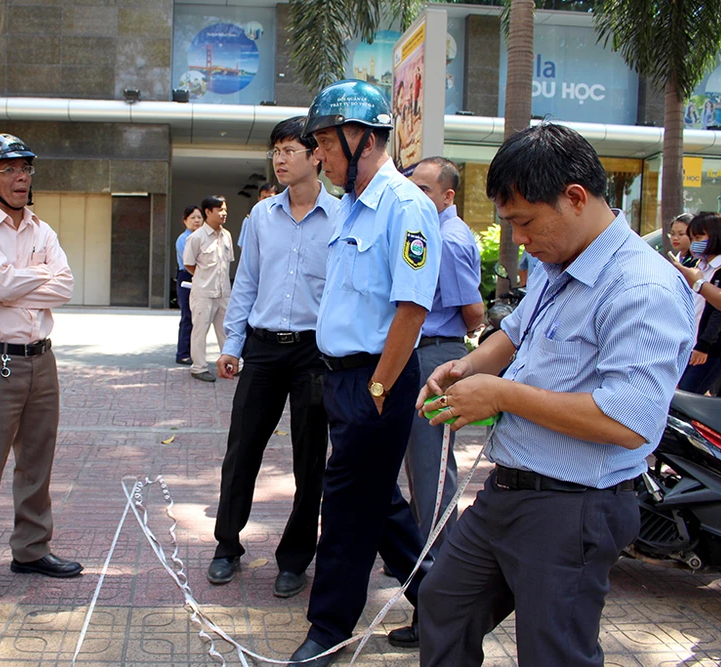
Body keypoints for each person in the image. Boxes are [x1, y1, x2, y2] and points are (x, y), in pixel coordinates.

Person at [416, 123, 695, 667]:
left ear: (575, 198)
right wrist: (467, 366)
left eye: (524, 221)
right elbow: (516, 331)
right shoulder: (556, 260)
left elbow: (629, 421)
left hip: (574, 506)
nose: (519, 239)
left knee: (553, 654)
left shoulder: (641, 287)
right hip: (509, 490)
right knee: (444, 602)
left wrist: (502, 395)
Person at [287, 80, 441, 667]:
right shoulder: (353, 204)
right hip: (343, 379)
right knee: (378, 503)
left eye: (327, 143)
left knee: (347, 509)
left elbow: (412, 308)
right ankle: (441, 602)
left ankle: (327, 631)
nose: (319, 155)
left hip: (379, 379)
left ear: (364, 139)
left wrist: (377, 388)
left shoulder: (405, 206)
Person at [0, 134, 83, 610]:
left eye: (25, 168)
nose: (21, 176)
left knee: (37, 462)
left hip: (41, 360)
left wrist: (11, 284)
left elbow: (64, 286)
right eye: (8, 169)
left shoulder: (40, 229)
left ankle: (31, 550)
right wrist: (21, 281)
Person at [208, 116, 338, 598]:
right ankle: (226, 546)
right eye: (275, 151)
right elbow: (247, 282)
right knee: (242, 449)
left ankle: (295, 558)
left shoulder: (342, 216)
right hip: (263, 349)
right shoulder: (261, 216)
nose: (279, 160)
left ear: (315, 155)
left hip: (314, 353)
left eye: (289, 151)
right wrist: (232, 344)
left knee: (310, 459)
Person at [386, 157, 483, 647]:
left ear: (448, 196)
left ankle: (440, 610)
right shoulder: (423, 230)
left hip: (435, 357)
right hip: (416, 356)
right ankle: (424, 579)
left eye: (425, 189)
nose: (416, 196)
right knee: (419, 478)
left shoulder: (451, 239)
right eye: (412, 187)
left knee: (433, 485)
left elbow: (473, 312)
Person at [671, 226, 721, 398]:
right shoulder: (694, 264)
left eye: (698, 237)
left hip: (709, 349)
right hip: (689, 343)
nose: (694, 243)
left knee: (686, 396)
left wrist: (699, 284)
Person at [184, 195, 234, 382]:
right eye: (220, 210)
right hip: (203, 293)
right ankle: (199, 367)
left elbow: (228, 263)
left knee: (226, 330)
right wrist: (204, 278)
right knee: (199, 331)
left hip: (223, 292)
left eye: (225, 209)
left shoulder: (227, 235)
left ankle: (229, 364)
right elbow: (189, 264)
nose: (224, 213)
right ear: (208, 212)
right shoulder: (196, 238)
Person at [175, 206, 204, 364]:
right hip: (187, 277)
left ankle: (194, 352)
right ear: (185, 221)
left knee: (198, 318)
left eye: (199, 217)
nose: (197, 221)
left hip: (201, 277)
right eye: (193, 218)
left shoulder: (203, 238)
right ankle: (182, 353)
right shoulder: (183, 239)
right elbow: (189, 263)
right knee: (187, 316)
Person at [239, 183, 278, 248]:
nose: (267, 201)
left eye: (270, 198)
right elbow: (244, 246)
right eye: (264, 198)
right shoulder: (250, 220)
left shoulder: (283, 219)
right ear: (259, 199)